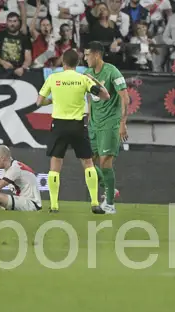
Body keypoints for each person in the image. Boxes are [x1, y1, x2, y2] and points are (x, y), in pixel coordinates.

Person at [35, 48, 110, 214]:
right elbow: (106, 95)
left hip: (59, 125)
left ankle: (54, 205)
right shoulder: (83, 79)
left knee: (55, 165)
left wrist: (53, 99)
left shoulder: (53, 78)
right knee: (88, 163)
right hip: (77, 124)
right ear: (78, 63)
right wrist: (94, 80)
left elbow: (39, 102)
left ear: (63, 62)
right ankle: (95, 203)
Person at [85, 41, 129, 214]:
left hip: (110, 124)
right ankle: (110, 189)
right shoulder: (88, 73)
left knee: (105, 162)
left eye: (87, 54)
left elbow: (125, 98)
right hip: (94, 125)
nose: (85, 58)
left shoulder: (112, 72)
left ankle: (110, 204)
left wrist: (122, 123)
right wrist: (88, 117)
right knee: (88, 162)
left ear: (97, 55)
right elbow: (89, 98)